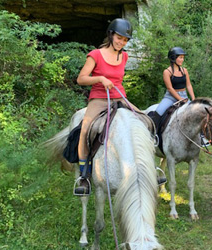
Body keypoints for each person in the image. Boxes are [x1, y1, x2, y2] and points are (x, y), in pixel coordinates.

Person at [74, 18, 138, 195]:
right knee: (85, 130)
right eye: (119, 38)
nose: (122, 42)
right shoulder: (95, 54)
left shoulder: (124, 56)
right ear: (111, 35)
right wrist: (100, 79)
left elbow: (118, 80)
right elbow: (81, 79)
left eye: (125, 40)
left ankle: (148, 168)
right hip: (100, 98)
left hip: (120, 98)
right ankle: (84, 175)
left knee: (146, 121)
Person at [151, 47, 195, 127]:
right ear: (173, 58)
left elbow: (188, 85)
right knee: (158, 112)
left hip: (184, 96)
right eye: (180, 57)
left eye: (183, 58)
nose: (182, 60)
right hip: (170, 97)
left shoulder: (184, 70)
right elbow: (170, 88)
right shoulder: (167, 72)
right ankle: (154, 133)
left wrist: (193, 99)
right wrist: (180, 99)